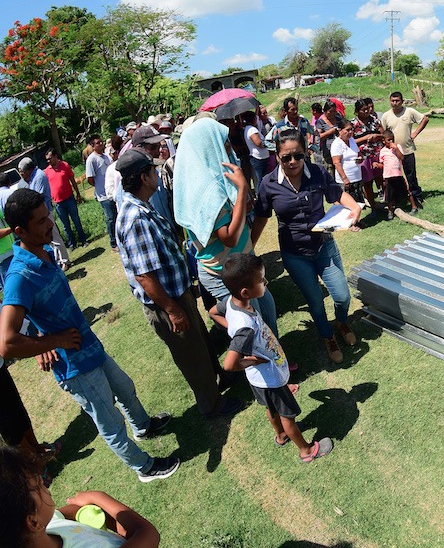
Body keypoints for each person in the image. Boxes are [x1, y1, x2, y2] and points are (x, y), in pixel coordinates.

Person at [0, 188, 179, 482]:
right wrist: (52, 342)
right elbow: (6, 342)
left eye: (49, 216)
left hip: (89, 345)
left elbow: (37, 313)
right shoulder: (19, 276)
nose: (51, 224)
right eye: (42, 221)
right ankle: (144, 467)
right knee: (109, 420)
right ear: (20, 231)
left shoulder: (43, 251)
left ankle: (144, 426)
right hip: (74, 366)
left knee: (125, 388)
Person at [115, 149, 241, 419]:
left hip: (176, 293)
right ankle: (212, 404)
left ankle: (219, 380)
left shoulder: (141, 205)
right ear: (143, 177)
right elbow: (144, 276)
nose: (157, 175)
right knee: (191, 354)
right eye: (153, 171)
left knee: (201, 342)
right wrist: (172, 309)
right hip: (166, 302)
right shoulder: (134, 217)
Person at [252, 129, 362, 363]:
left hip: (324, 246)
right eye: (286, 157)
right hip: (295, 254)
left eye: (298, 156)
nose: (293, 162)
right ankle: (327, 335)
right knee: (315, 301)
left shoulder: (318, 173)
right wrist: (249, 247)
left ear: (305, 153)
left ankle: (342, 322)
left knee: (342, 295)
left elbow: (336, 194)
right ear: (277, 156)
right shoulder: (268, 183)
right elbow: (261, 217)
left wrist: (354, 207)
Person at [173, 117, 281, 342]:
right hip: (224, 272)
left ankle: (277, 361)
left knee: (268, 312)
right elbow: (229, 237)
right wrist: (242, 189)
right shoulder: (207, 193)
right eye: (223, 142)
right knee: (255, 327)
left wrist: (242, 197)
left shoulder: (217, 179)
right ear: (208, 145)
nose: (228, 146)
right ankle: (268, 374)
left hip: (242, 264)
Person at [219, 254, 334, 463]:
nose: (266, 282)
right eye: (261, 280)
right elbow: (230, 364)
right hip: (269, 377)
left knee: (270, 408)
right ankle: (306, 451)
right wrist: (253, 359)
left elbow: (213, 312)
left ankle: (281, 436)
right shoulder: (245, 326)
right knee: (287, 415)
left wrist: (233, 332)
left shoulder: (231, 302)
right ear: (246, 291)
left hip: (259, 381)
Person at [0, 447, 165, 548]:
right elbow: (148, 534)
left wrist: (134, 543)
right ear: (33, 522)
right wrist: (97, 496)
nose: (43, 481)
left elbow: (79, 511)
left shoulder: (47, 528)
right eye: (37, 484)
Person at [17, 158, 69, 270]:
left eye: (22, 172)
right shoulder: (32, 178)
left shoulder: (39, 176)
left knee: (54, 237)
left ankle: (65, 260)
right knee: (49, 240)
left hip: (44, 213)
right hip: (40, 215)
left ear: (27, 170)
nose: (22, 175)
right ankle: (58, 261)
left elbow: (37, 197)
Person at [381, 91, 429, 207]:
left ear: (402, 101)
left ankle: (416, 197)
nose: (395, 103)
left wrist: (415, 134)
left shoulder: (409, 112)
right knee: (395, 176)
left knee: (411, 175)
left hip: (407, 150)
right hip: (393, 153)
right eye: (392, 101)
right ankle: (399, 198)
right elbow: (383, 132)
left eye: (397, 101)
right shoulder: (386, 116)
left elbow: (425, 119)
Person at [44, 149, 87, 250]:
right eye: (47, 160)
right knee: (65, 225)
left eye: (50, 158)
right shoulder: (47, 171)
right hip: (58, 202)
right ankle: (72, 244)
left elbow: (72, 180)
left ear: (55, 156)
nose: (48, 161)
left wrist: (78, 194)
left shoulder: (65, 165)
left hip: (69, 199)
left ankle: (83, 240)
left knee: (76, 220)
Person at [84, 134, 118, 253]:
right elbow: (90, 178)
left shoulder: (106, 156)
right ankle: (113, 243)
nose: (101, 144)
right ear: (92, 146)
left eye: (101, 142)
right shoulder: (91, 160)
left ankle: (119, 239)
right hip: (103, 195)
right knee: (110, 218)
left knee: (117, 216)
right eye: (98, 143)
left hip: (112, 191)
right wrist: (99, 187)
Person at [350, 97, 384, 212]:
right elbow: (350, 141)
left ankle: (388, 203)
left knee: (382, 179)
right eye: (363, 110)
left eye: (367, 109)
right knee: (367, 182)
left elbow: (384, 135)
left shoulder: (374, 120)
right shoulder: (352, 124)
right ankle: (373, 207)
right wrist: (365, 138)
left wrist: (377, 136)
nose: (366, 112)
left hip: (376, 154)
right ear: (357, 111)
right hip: (363, 157)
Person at [379, 130, 418, 219]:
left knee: (406, 191)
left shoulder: (398, 147)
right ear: (384, 141)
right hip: (388, 176)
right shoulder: (382, 151)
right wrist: (377, 165)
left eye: (392, 139)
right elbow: (382, 164)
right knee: (389, 194)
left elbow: (402, 157)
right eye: (389, 140)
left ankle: (414, 207)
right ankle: (390, 211)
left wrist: (396, 148)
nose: (391, 142)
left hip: (398, 174)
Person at [331, 120, 364, 205]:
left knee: (357, 204)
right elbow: (336, 163)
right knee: (346, 206)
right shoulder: (337, 144)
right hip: (346, 181)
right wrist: (345, 179)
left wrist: (360, 158)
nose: (350, 132)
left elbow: (358, 153)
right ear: (340, 130)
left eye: (351, 130)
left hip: (356, 178)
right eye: (347, 130)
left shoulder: (352, 140)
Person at [243, 110, 272, 188]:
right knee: (261, 180)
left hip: (260, 157)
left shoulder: (248, 129)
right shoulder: (252, 130)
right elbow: (258, 143)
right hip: (259, 158)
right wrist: (269, 144)